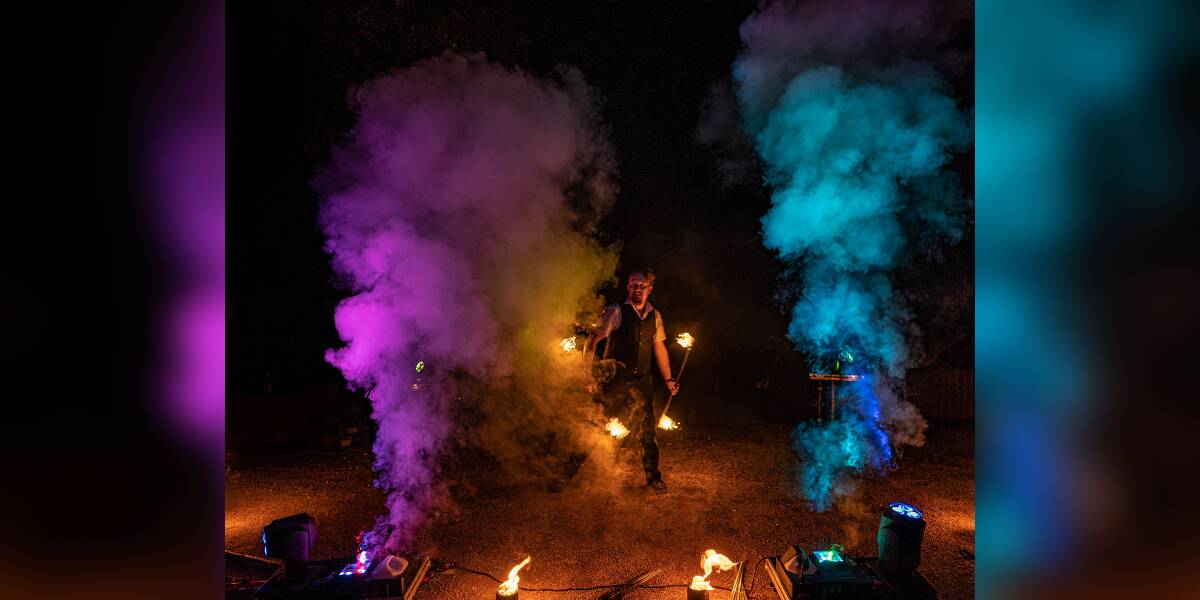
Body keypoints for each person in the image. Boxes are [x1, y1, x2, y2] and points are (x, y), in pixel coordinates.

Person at [587, 268, 679, 492]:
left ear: (650, 288)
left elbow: (659, 347)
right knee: (595, 424)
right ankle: (564, 473)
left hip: (642, 383)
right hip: (615, 382)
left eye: (642, 285)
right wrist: (588, 374)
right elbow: (593, 340)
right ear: (628, 287)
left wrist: (668, 379)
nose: (637, 288)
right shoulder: (616, 310)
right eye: (633, 284)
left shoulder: (655, 315)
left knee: (647, 432)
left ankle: (653, 478)